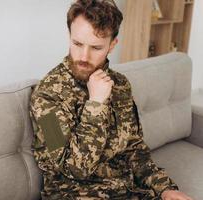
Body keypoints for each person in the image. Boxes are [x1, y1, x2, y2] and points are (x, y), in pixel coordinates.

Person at [29, 0, 193, 199]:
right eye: (77, 43)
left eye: (96, 48)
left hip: (128, 190)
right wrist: (95, 105)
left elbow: (134, 150)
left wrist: (165, 188)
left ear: (112, 45)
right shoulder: (45, 96)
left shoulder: (120, 85)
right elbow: (74, 169)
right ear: (69, 37)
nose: (83, 56)